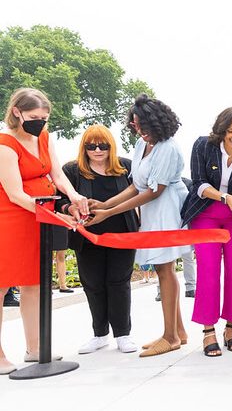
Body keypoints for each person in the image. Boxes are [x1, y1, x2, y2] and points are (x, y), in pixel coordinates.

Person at [87, 94, 190, 357]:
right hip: (151, 209)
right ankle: (178, 331)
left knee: (165, 269)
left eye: (142, 125)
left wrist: (109, 213)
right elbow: (135, 186)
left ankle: (171, 336)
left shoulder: (168, 147)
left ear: (156, 122)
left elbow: (155, 191)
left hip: (165, 208)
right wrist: (104, 205)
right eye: (134, 125)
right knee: (162, 268)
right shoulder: (140, 144)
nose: (138, 130)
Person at [0, 88, 88, 374]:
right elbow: (14, 193)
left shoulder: (44, 137)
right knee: (1, 287)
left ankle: (35, 347)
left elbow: (58, 174)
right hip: (11, 218)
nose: (40, 122)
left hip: (39, 217)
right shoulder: (5, 145)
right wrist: (50, 214)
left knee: (34, 284)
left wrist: (73, 195)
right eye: (35, 117)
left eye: (45, 117)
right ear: (17, 112)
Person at [180, 107, 232, 357]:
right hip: (205, 213)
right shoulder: (203, 146)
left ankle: (231, 328)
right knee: (209, 270)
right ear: (221, 130)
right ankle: (208, 331)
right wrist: (226, 198)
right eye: (230, 132)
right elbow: (199, 184)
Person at [56, 124, 140, 354]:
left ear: (111, 147)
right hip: (87, 236)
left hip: (121, 234)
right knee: (92, 283)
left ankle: (123, 334)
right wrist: (69, 207)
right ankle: (100, 334)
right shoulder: (72, 170)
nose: (97, 150)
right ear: (84, 148)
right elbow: (58, 199)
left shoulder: (126, 167)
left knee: (118, 282)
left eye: (103, 145)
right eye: (91, 146)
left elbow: (140, 192)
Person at [52, 227, 73, 293]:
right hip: (47, 222)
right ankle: (47, 286)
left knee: (61, 256)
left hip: (61, 223)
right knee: (48, 256)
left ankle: (63, 285)